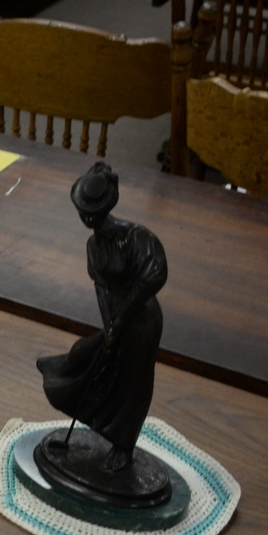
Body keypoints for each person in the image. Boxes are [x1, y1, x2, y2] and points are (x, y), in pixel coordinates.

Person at [36, 163, 168, 471]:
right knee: (93, 354)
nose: (87, 217)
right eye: (83, 211)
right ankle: (65, 372)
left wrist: (120, 320)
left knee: (133, 381)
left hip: (142, 320)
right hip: (118, 317)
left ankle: (123, 446)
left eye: (92, 211)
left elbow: (152, 278)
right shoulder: (94, 246)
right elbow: (102, 288)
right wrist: (109, 325)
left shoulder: (135, 237)